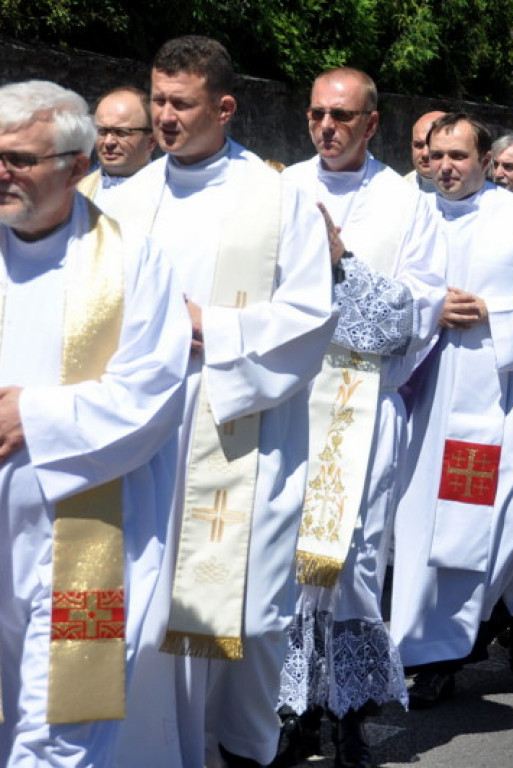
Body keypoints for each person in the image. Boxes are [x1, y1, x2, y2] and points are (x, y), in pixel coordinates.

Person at [106, 36, 335, 768]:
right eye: (158, 102)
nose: (164, 119)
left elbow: (310, 317)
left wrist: (217, 328)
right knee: (143, 604)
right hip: (143, 432)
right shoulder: (125, 197)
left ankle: (241, 748)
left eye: (181, 104)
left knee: (249, 611)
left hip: (243, 430)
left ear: (224, 107)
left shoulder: (276, 199)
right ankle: (152, 747)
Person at [0, 79, 189, 766]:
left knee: (59, 735)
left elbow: (152, 396)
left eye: (20, 158)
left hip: (86, 544)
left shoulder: (133, 263)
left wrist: (33, 414)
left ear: (77, 168)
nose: (1, 171)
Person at [274, 67, 446, 768]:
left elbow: (413, 316)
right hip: (287, 404)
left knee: (349, 559)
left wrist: (342, 261)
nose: (327, 127)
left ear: (371, 124)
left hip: (362, 409)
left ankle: (349, 709)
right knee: (285, 560)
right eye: (317, 114)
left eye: (342, 116)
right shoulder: (282, 190)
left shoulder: (410, 206)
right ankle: (291, 710)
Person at [389, 113, 513, 706]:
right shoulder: (412, 216)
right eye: (435, 155)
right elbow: (393, 292)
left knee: (510, 526)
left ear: (485, 158)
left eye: (458, 156)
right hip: (426, 401)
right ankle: (442, 652)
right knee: (430, 532)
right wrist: (427, 309)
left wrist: (494, 312)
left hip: (504, 405)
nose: (445, 166)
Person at [77, 86, 156, 206]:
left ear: (151, 141)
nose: (109, 142)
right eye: (102, 131)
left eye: (121, 132)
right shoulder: (74, 195)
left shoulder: (170, 195)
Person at [403, 109, 445, 193]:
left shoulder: (472, 194)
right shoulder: (399, 190)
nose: (425, 154)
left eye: (432, 145)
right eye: (418, 145)